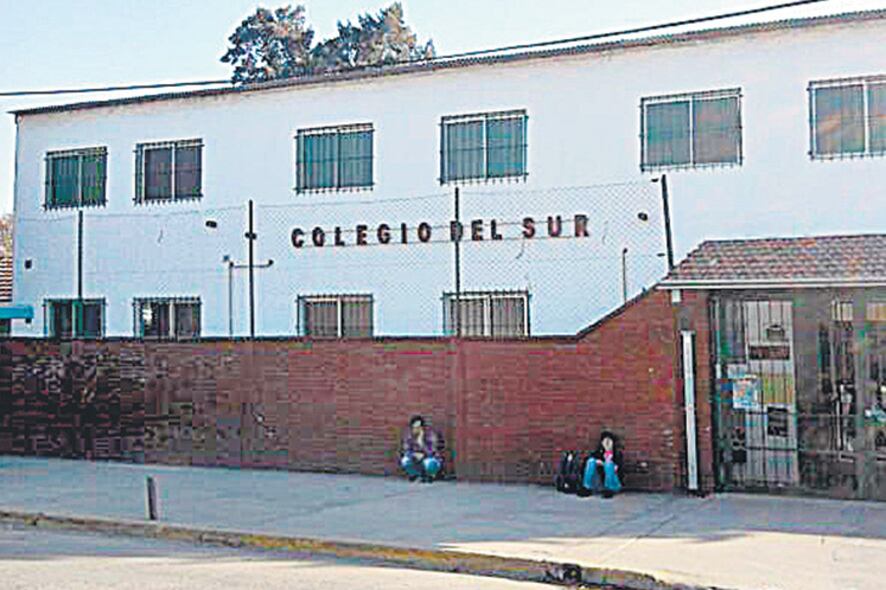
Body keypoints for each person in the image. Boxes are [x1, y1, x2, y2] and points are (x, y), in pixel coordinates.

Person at [400, 415, 443, 483]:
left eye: (418, 427)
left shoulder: (430, 435)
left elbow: (433, 451)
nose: (416, 429)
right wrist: (413, 454)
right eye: (414, 427)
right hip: (416, 459)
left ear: (422, 427)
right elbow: (405, 450)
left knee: (429, 463)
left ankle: (430, 475)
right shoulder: (409, 435)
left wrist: (422, 444)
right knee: (405, 460)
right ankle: (415, 475)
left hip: (430, 458)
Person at [582, 430, 623, 498]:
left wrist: (605, 463)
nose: (607, 443)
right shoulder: (599, 453)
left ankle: (609, 489)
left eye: (609, 441)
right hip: (599, 483)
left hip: (614, 483)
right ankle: (586, 487)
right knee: (591, 461)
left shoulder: (617, 454)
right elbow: (588, 461)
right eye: (605, 441)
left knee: (608, 464)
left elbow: (617, 469)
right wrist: (597, 461)